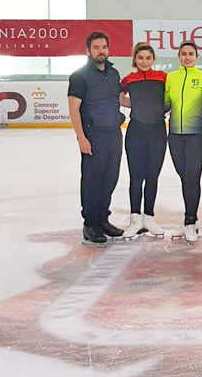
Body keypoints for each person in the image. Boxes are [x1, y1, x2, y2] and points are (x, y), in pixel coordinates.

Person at [67, 30, 124, 246]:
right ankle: (90, 224)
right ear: (88, 51)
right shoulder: (80, 76)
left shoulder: (114, 73)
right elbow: (74, 109)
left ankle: (103, 219)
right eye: (97, 47)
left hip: (114, 134)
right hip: (93, 136)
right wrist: (81, 138)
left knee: (110, 178)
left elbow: (119, 100)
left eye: (104, 47)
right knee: (92, 181)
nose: (101, 51)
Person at [164, 41, 202, 245]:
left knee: (192, 177)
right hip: (175, 135)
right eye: (183, 54)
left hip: (197, 136)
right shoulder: (171, 77)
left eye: (191, 54)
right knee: (184, 177)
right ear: (179, 56)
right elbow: (166, 103)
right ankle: (189, 219)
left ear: (196, 57)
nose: (187, 57)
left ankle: (190, 220)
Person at [119, 43, 167, 241]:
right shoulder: (129, 79)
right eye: (140, 58)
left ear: (153, 60)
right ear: (135, 60)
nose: (144, 62)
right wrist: (135, 105)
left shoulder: (164, 78)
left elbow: (170, 99)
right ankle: (135, 219)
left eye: (148, 58)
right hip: (136, 131)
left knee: (153, 176)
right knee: (136, 176)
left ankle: (149, 217)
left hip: (157, 131)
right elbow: (119, 97)